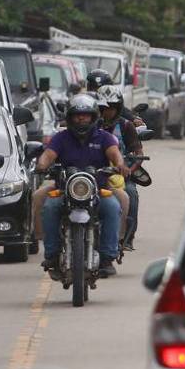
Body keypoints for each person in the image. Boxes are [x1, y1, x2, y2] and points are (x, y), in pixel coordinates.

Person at [36, 93, 127, 279]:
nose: (81, 118)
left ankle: (108, 257)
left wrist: (120, 165)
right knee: (49, 206)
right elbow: (48, 155)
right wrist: (41, 166)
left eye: (86, 115)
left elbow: (115, 153)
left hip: (98, 190)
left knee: (113, 206)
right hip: (64, 189)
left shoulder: (104, 138)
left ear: (94, 117)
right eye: (77, 115)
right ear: (70, 117)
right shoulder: (60, 138)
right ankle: (52, 255)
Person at [98, 85, 142, 250]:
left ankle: (126, 237)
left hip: (119, 175)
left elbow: (138, 152)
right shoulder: (90, 126)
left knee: (130, 193)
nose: (108, 112)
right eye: (104, 108)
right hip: (93, 174)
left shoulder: (126, 126)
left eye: (112, 108)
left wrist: (129, 169)